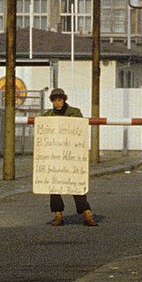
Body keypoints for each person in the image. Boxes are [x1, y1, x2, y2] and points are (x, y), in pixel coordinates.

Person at [44, 88, 97, 226]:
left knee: (76, 184)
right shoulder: (47, 116)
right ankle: (58, 215)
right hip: (55, 156)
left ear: (64, 100)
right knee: (54, 186)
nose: (57, 103)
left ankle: (87, 214)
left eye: (60, 100)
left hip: (72, 156)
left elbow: (79, 130)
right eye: (55, 100)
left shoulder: (75, 112)